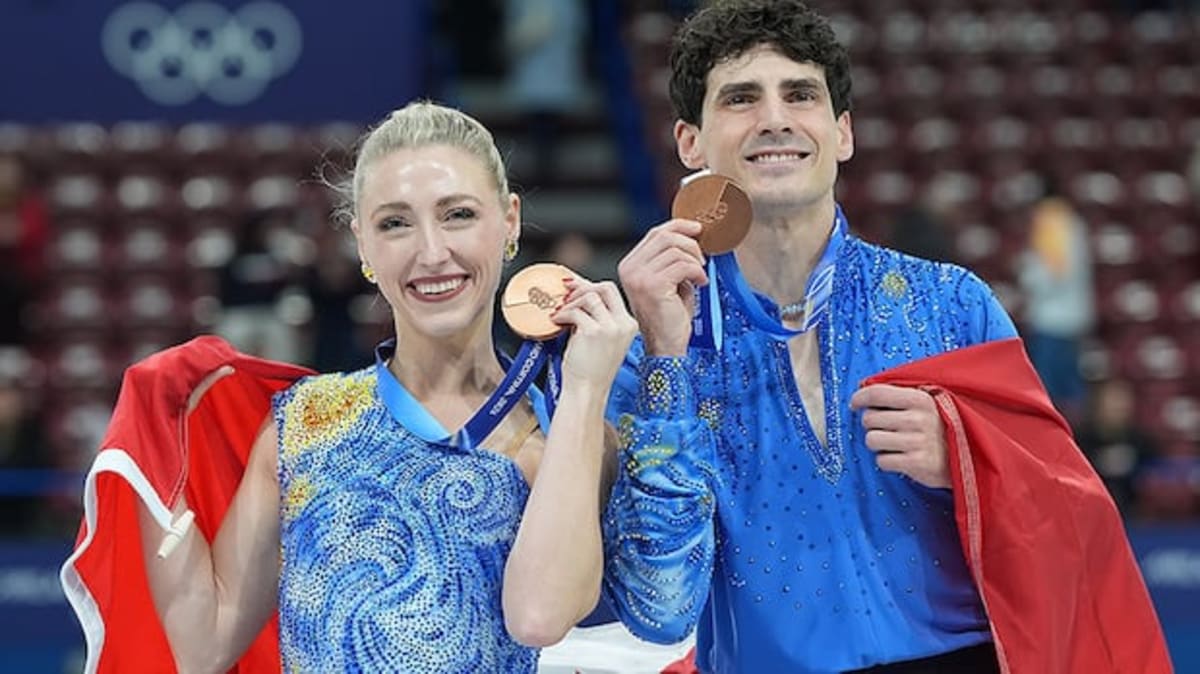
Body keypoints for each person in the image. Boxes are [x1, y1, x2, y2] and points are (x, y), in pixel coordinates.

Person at [602, 2, 1169, 673]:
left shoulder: (954, 306)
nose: (775, 118)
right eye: (741, 98)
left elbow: (1074, 529)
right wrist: (668, 364)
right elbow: (660, 607)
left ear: (842, 133)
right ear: (690, 142)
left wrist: (968, 459)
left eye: (801, 94)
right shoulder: (648, 350)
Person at [61, 102, 640, 673]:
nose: (431, 252)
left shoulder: (569, 436)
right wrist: (155, 458)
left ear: (508, 221)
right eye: (394, 223)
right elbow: (205, 645)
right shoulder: (302, 424)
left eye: (458, 214)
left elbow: (541, 618)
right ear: (362, 243)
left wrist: (586, 392)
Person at [1016, 175, 1095, 423]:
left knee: (1049, 392)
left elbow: (1052, 274)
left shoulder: (1052, 222)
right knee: (1071, 390)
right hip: (1074, 317)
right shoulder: (1074, 222)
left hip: (1053, 320)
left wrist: (1025, 271)